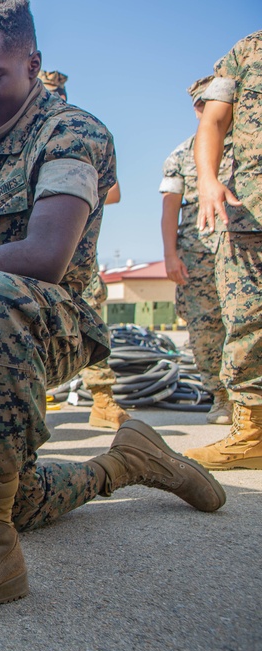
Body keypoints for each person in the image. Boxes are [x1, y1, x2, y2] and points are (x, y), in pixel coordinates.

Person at [0, 0, 225, 622]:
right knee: (20, 496)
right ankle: (129, 460)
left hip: (54, 321)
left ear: (31, 63)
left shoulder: (70, 133)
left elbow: (44, 256)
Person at [187, 30, 262, 470]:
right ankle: (251, 431)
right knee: (246, 320)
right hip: (248, 208)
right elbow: (213, 120)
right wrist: (208, 179)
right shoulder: (247, 49)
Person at [39, 69, 130, 430]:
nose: (55, 99)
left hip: (79, 254)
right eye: (48, 92)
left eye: (59, 93)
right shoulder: (24, 136)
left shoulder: (79, 133)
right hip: (32, 250)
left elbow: (115, 191)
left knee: (88, 322)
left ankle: (103, 399)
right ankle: (32, 403)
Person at [159, 76, 234, 425]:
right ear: (196, 108)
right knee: (206, 328)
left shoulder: (247, 148)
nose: (207, 109)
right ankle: (221, 398)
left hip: (241, 251)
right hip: (198, 255)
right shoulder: (181, 155)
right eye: (201, 104)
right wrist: (171, 256)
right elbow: (169, 209)